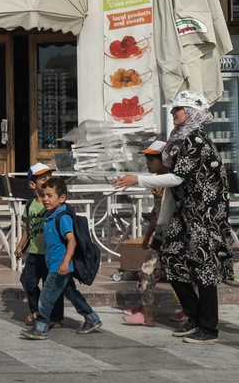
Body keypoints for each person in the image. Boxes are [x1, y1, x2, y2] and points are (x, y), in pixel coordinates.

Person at [113, 91, 234, 343]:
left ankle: (208, 328)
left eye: (177, 109)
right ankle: (193, 316)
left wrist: (138, 179)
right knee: (171, 259)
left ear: (190, 113)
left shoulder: (195, 140)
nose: (172, 113)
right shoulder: (182, 138)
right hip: (187, 212)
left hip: (204, 214)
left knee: (204, 269)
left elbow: (178, 177)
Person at [19, 177, 103, 340]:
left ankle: (41, 326)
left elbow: (72, 240)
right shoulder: (51, 215)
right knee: (71, 293)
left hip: (59, 266)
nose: (45, 200)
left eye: (50, 196)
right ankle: (92, 318)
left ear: (62, 198)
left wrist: (65, 262)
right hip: (55, 264)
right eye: (44, 195)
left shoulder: (62, 217)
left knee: (46, 297)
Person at [121, 142, 171, 327]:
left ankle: (190, 311)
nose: (148, 163)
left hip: (176, 239)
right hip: (160, 238)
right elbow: (155, 214)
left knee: (184, 278)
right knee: (147, 272)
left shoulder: (173, 180)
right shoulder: (157, 181)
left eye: (152, 159)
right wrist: (149, 235)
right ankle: (146, 311)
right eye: (147, 159)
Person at [13, 163, 65, 328]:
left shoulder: (53, 204)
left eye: (49, 177)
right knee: (27, 280)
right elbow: (27, 229)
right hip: (35, 251)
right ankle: (37, 310)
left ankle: (54, 316)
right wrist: (21, 245)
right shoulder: (30, 205)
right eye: (43, 178)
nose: (48, 180)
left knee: (52, 285)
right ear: (32, 184)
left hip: (52, 253)